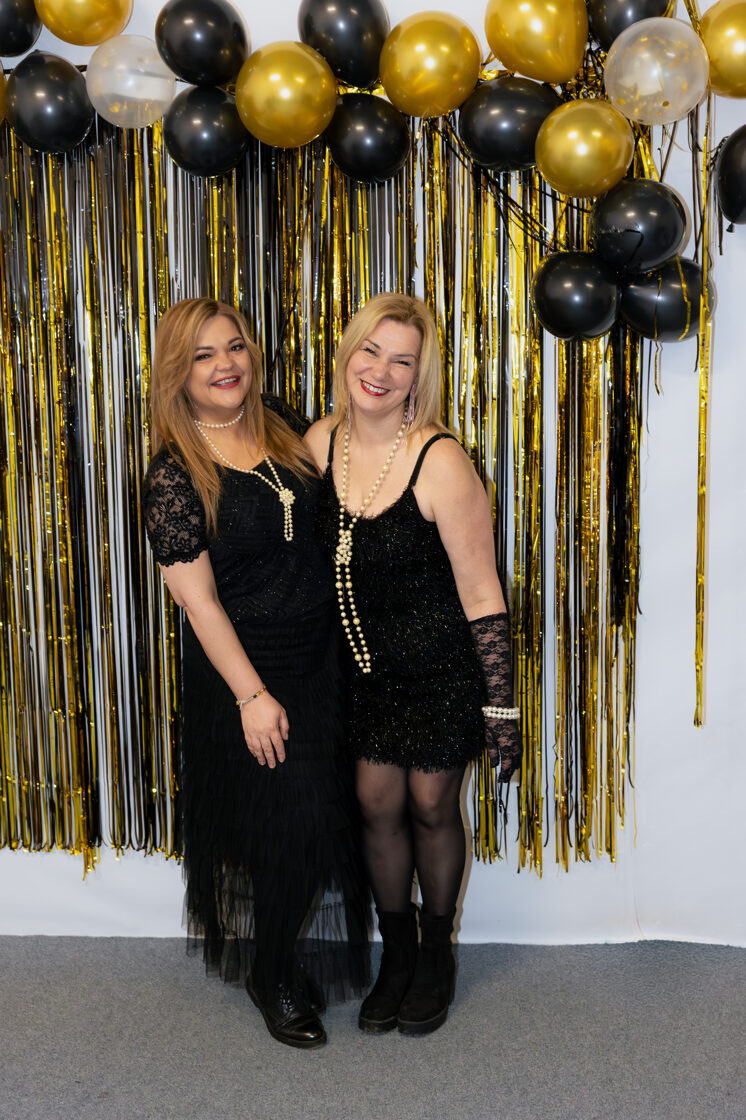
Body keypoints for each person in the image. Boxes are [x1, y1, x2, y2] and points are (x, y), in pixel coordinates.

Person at [142, 297, 369, 1050]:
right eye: (203, 355)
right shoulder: (174, 474)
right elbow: (199, 603)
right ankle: (270, 975)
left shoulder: (281, 425)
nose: (225, 364)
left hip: (319, 660)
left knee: (316, 826)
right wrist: (250, 695)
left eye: (234, 346)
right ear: (178, 372)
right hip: (244, 671)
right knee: (288, 827)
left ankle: (271, 960)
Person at [306, 292, 521, 1037]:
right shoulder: (318, 443)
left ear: (419, 376)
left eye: (403, 361)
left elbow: (483, 594)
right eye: (371, 351)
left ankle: (436, 953)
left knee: (431, 804)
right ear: (348, 353)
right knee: (375, 803)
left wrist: (500, 707)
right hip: (362, 674)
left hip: (439, 671)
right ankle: (395, 954)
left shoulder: (441, 460)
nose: (381, 371)